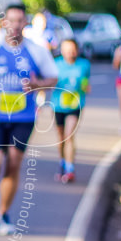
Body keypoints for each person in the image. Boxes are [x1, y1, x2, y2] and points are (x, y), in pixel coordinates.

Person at [0, 4, 57, 235]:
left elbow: (53, 78)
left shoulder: (37, 51)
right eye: (11, 20)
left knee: (14, 162)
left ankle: (3, 214)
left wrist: (37, 85)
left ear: (25, 24)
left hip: (23, 117)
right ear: (4, 22)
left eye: (19, 21)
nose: (15, 25)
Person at [51, 38, 91, 184]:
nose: (70, 52)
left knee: (69, 136)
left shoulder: (84, 65)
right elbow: (50, 82)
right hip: (58, 105)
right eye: (66, 49)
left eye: (72, 49)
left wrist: (85, 87)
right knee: (61, 137)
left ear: (77, 50)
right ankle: (62, 162)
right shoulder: (55, 65)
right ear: (61, 50)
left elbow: (86, 82)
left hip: (75, 105)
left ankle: (70, 168)